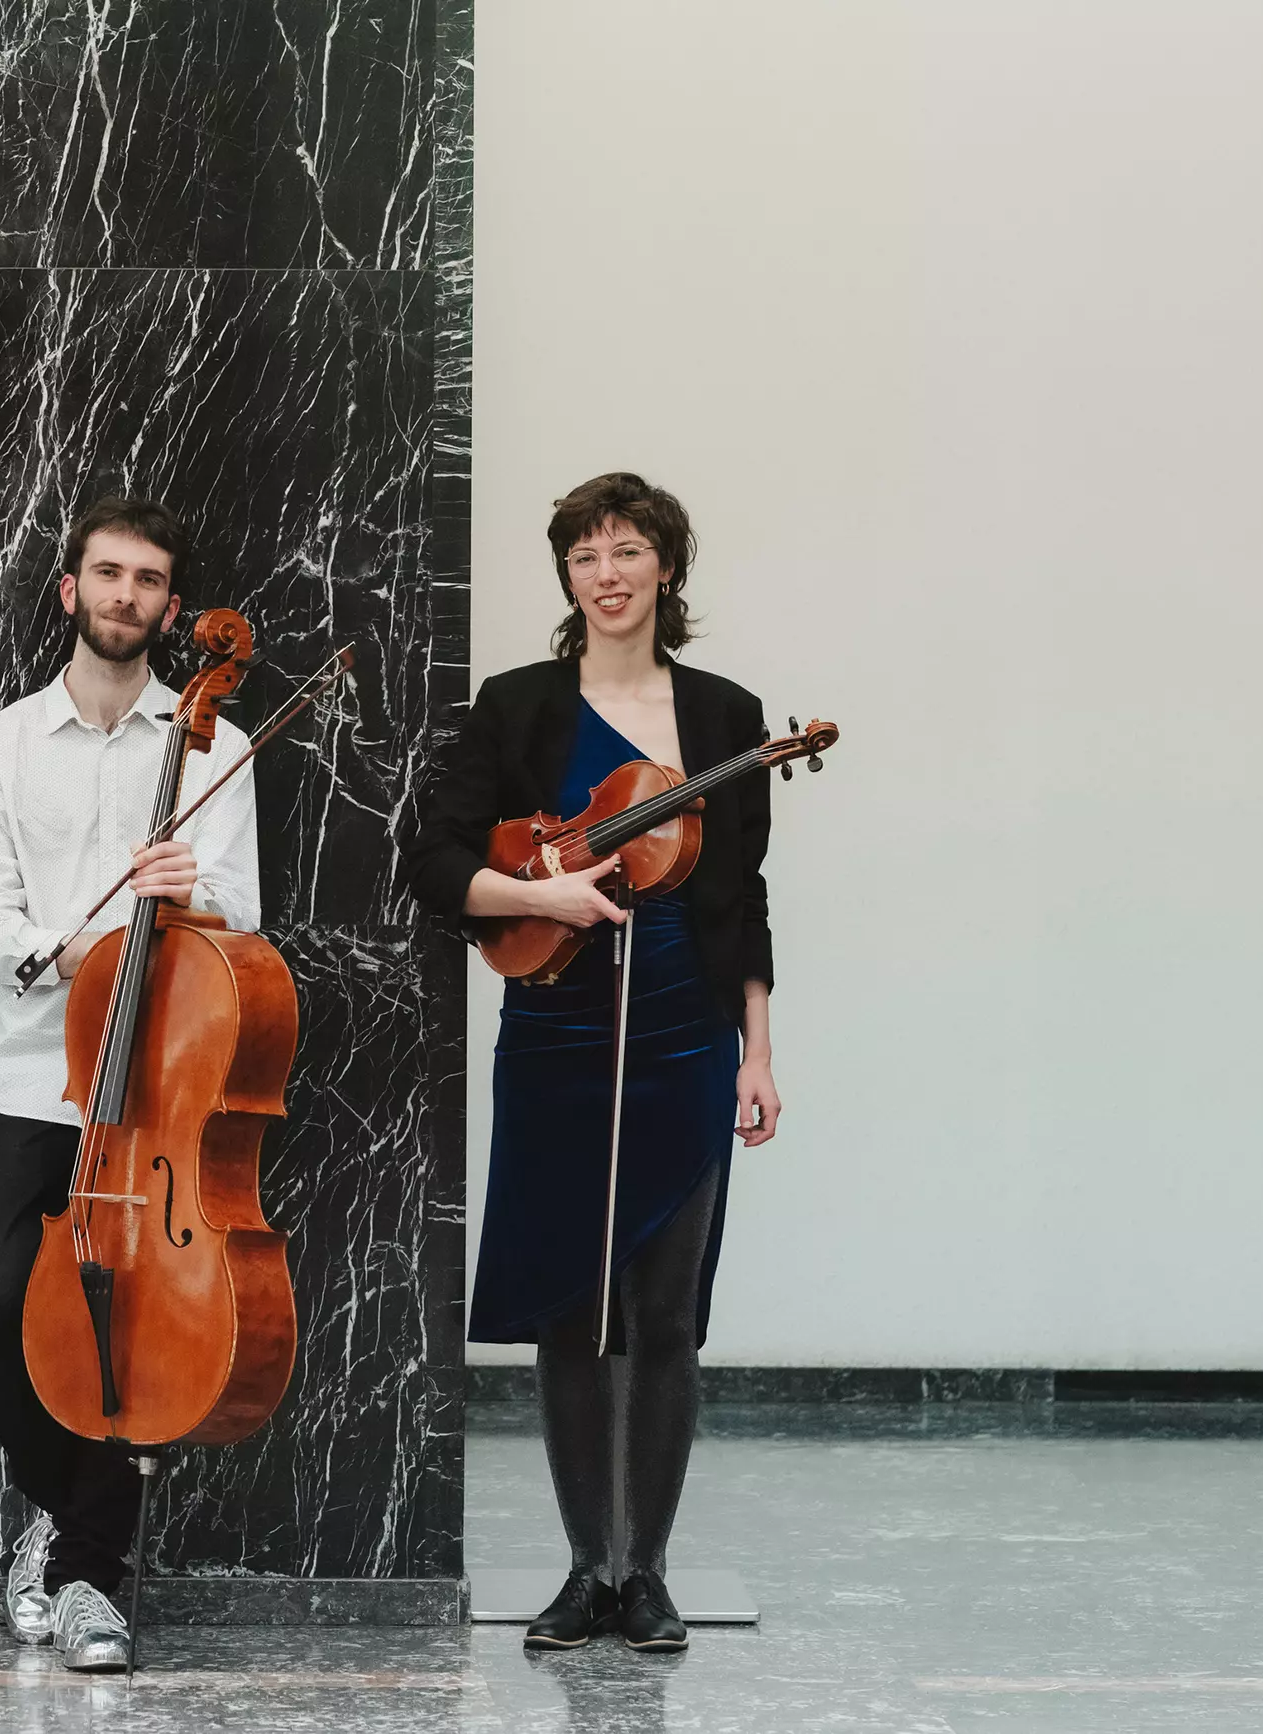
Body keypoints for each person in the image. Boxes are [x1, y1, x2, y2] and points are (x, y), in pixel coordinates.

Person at [404, 473, 783, 1654]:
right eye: (584, 556)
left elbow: (742, 900)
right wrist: (538, 895)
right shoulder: (515, 705)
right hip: (556, 1026)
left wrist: (756, 1055)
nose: (605, 574)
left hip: (684, 1031)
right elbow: (434, 860)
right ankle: (584, 1570)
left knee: (661, 1314)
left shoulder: (725, 715)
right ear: (565, 576)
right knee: (572, 1310)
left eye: (626, 551)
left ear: (665, 566)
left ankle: (647, 1575)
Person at [0, 496, 261, 1673]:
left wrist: (188, 895)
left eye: (148, 580)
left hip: (159, 1093)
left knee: (136, 1329)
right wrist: (85, 951)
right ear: (69, 589)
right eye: (108, 573)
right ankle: (58, 1515)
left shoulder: (214, 744)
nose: (126, 595)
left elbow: (243, 919)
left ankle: (86, 1580)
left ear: (171, 610)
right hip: (29, 1072)